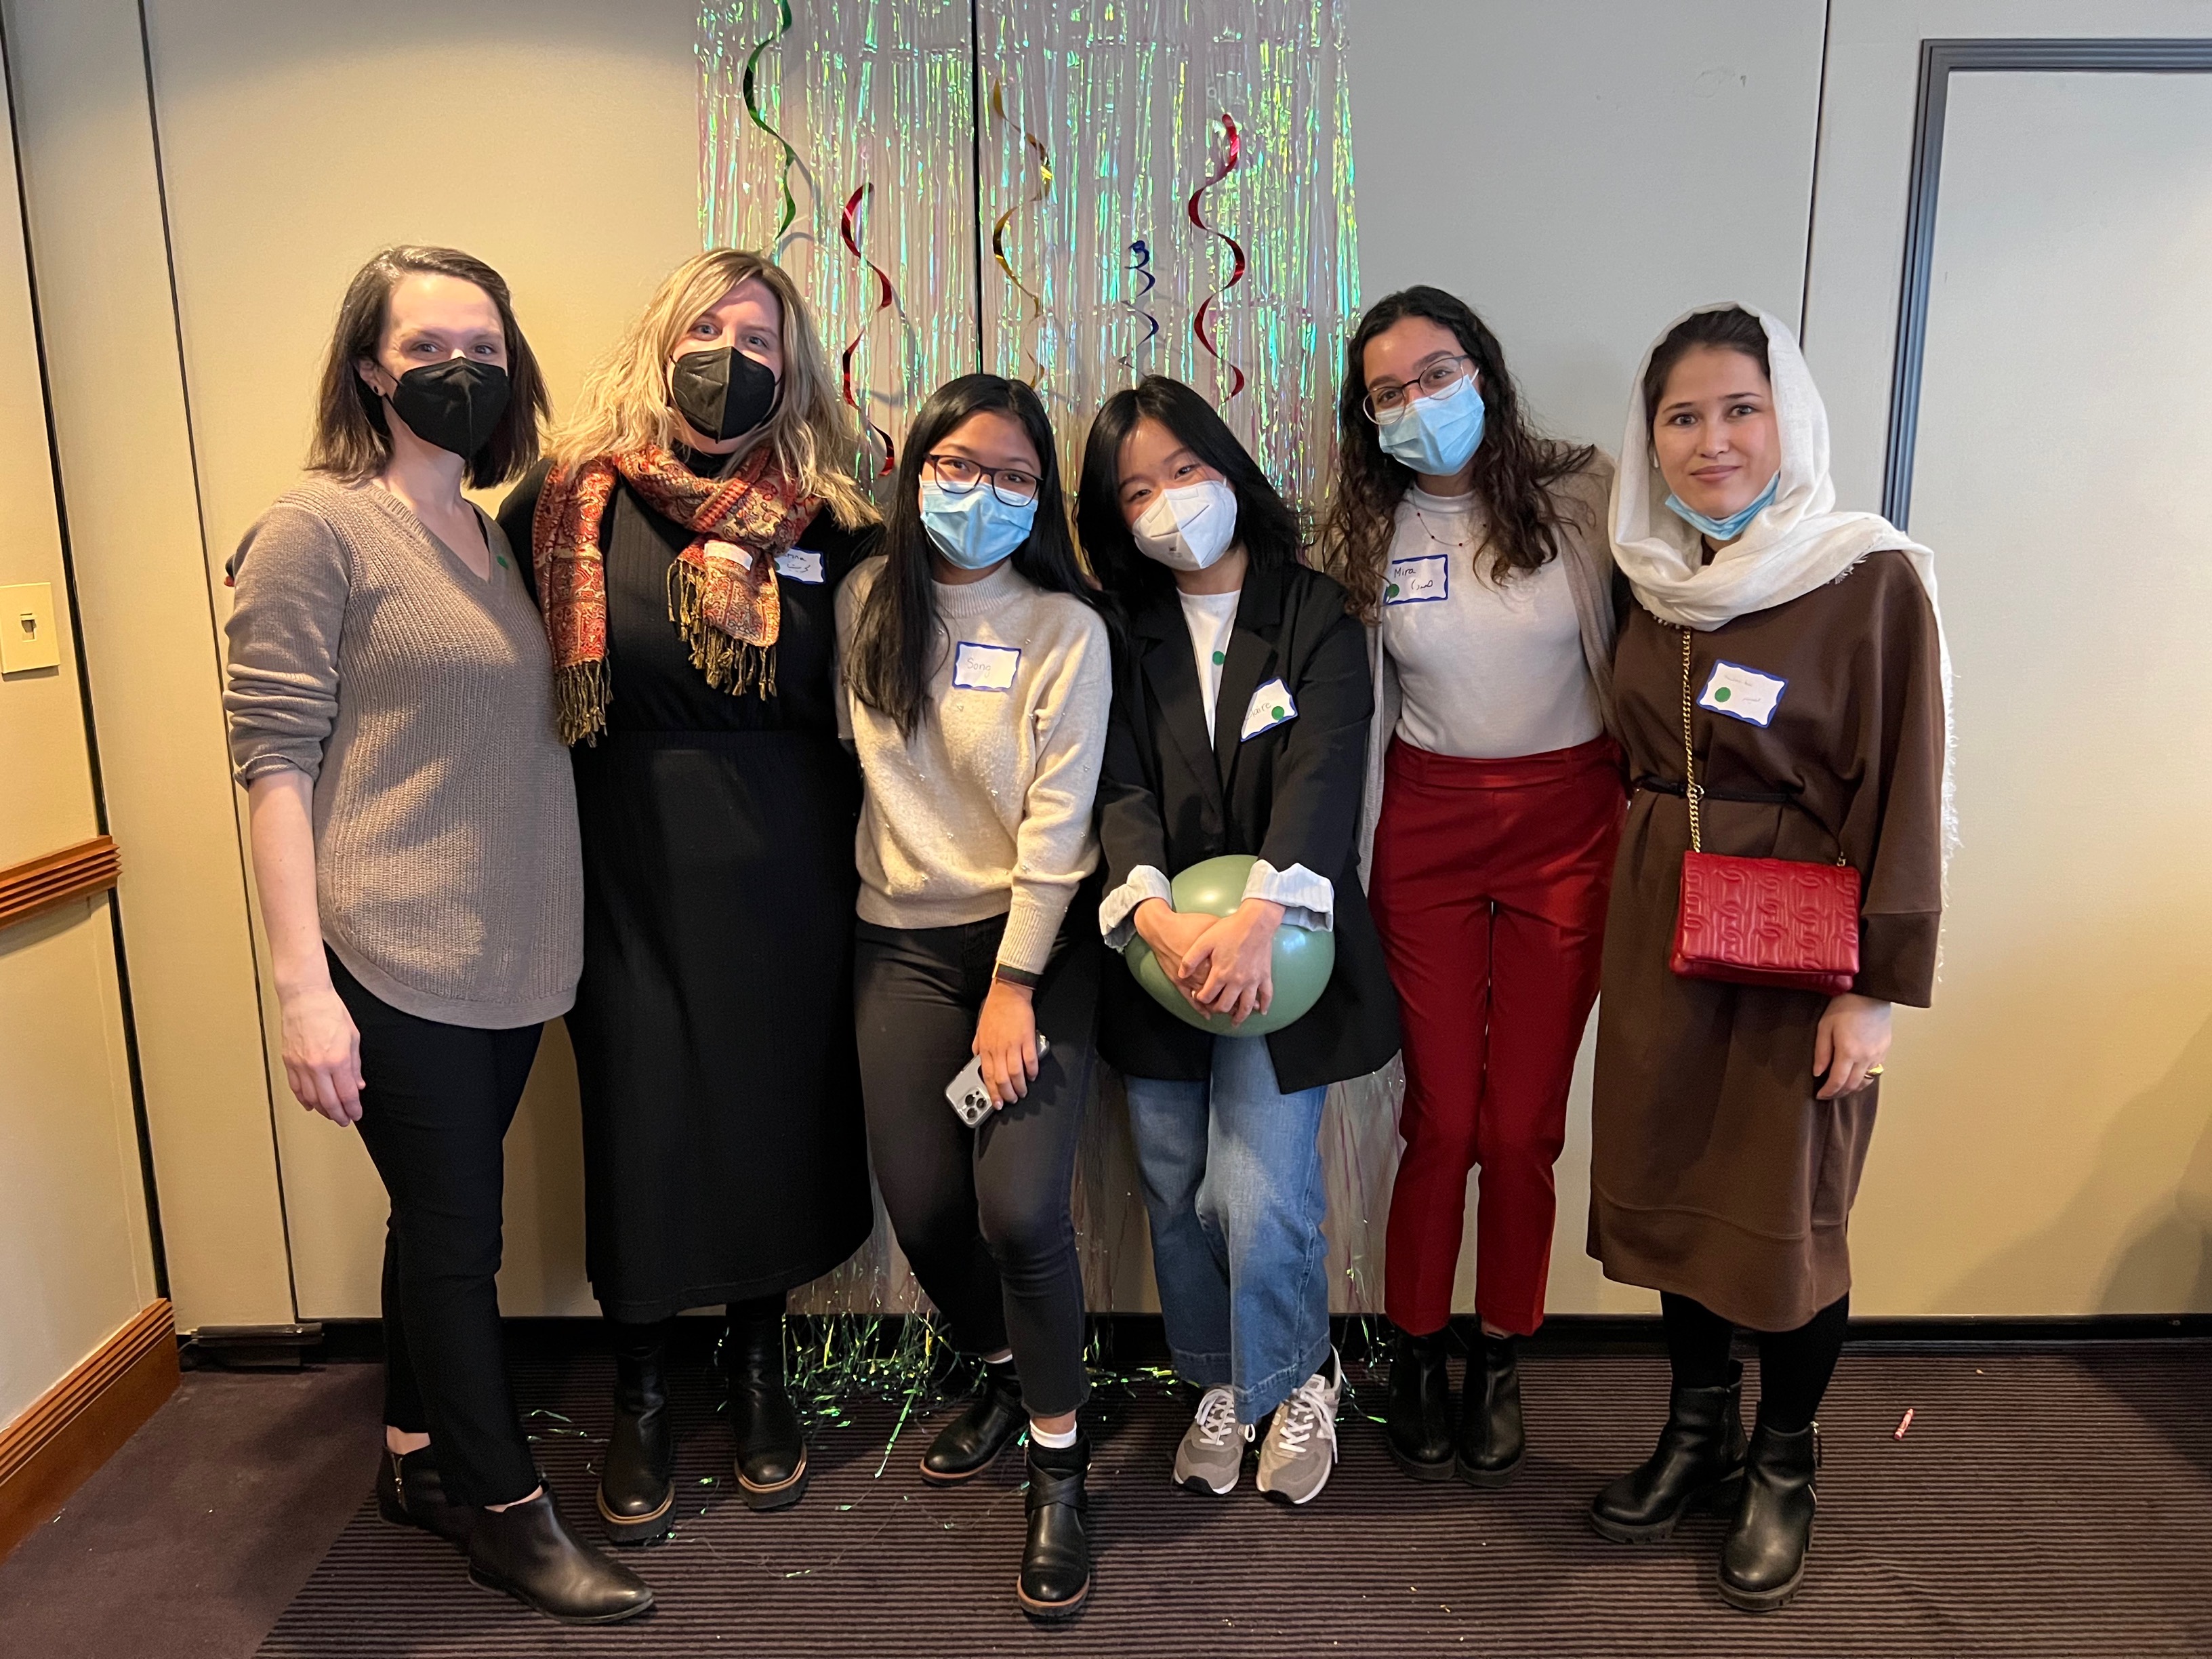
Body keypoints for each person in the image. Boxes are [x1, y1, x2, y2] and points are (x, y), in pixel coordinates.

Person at [223, 246, 650, 1624]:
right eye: (425, 345)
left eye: (483, 339)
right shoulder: (316, 528)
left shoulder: (497, 529)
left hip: (516, 949)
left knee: (433, 1223)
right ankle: (504, 1511)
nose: (460, 366)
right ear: (368, 368)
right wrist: (303, 990)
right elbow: (272, 763)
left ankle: (413, 1453)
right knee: (461, 1236)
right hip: (390, 950)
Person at [496, 249, 880, 1539]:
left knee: (775, 1108)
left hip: (793, 866)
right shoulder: (570, 503)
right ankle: (644, 1387)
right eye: (708, 326)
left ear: (796, 359)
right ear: (660, 342)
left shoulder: (833, 511)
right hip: (623, 860)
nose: (732, 354)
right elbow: (461, 626)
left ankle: (761, 1362)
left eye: (760, 332)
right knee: (644, 1117)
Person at [1585, 304, 1948, 1612]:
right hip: (1660, 929)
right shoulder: (1648, 576)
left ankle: (1784, 1463)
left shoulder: (1868, 575)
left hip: (1804, 942)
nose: (1712, 440)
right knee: (1680, 1191)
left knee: (1789, 1216)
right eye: (1681, 417)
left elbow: (1907, 790)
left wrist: (1874, 991)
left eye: (1740, 407)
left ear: (1788, 415)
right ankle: (1698, 1433)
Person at [1316, 285, 1625, 1488]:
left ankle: (1502, 1352)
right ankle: (1416, 1347)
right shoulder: (1363, 532)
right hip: (1431, 826)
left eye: (1435, 374)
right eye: (1387, 393)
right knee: (1440, 1117)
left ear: (1484, 371)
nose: (1416, 406)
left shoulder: (1588, 493)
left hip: (1570, 824)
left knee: (1522, 1127)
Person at [1078, 375, 1399, 1508]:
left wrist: (1263, 918)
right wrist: (1157, 918)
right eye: (1136, 491)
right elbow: (1115, 785)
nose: (1169, 502)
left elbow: (1325, 771)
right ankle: (1219, 1382)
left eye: (1184, 470)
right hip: (1157, 950)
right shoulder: (1120, 631)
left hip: (1287, 953)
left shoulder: (1314, 612)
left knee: (1258, 1193)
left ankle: (1298, 1378)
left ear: (1228, 468)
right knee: (1173, 1187)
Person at [837, 373, 1109, 1621]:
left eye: (1013, 475)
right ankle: (1005, 1368)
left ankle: (1061, 1460)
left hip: (1033, 945)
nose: (984, 494)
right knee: (924, 1204)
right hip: (897, 941)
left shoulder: (1068, 627)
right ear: (916, 472)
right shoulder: (861, 605)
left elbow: (1059, 831)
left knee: (1018, 1210)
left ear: (1042, 495)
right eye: (960, 466)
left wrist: (1016, 980)